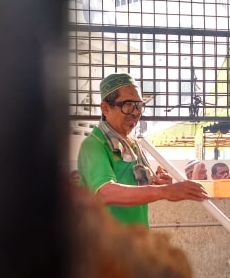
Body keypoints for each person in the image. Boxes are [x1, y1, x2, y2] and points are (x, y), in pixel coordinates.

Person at [77, 73, 208, 227]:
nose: (135, 112)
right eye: (128, 105)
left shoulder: (133, 144)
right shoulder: (94, 145)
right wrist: (164, 191)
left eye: (139, 105)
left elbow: (138, 189)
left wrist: (158, 183)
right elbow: (106, 192)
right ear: (105, 108)